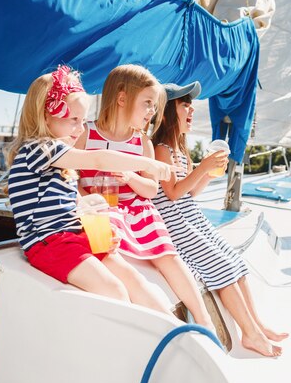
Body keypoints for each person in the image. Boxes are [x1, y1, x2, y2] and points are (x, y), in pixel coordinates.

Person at [6, 64, 180, 319]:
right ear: (45, 117)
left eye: (82, 119)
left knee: (134, 279)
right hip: (49, 244)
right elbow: (98, 160)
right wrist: (147, 164)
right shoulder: (40, 149)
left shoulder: (59, 164)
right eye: (73, 120)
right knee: (114, 290)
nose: (80, 128)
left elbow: (73, 207)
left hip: (71, 236)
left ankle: (174, 331)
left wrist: (97, 230)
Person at [152, 81, 288, 357]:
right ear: (166, 112)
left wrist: (209, 171)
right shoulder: (161, 149)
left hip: (191, 218)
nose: (191, 110)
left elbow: (191, 191)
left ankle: (257, 325)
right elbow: (173, 193)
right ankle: (249, 334)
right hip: (176, 224)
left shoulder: (180, 150)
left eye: (191, 105)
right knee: (221, 266)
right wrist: (203, 167)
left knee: (235, 261)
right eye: (184, 105)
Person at [75, 64, 213, 330]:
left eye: (154, 105)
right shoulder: (86, 134)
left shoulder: (143, 143)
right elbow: (71, 178)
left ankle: (204, 319)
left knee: (168, 256)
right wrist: (88, 200)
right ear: (122, 98)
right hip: (102, 210)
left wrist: (130, 176)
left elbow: (151, 190)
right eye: (148, 103)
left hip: (137, 210)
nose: (152, 111)